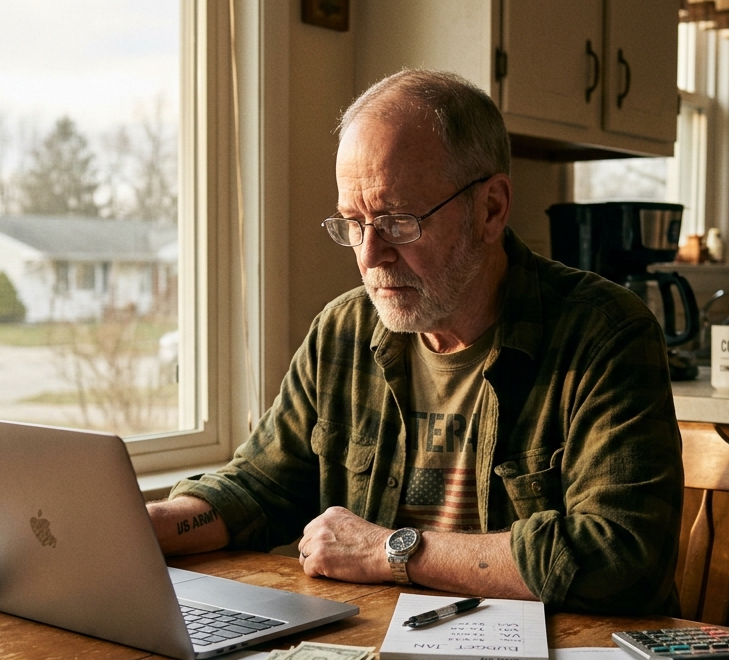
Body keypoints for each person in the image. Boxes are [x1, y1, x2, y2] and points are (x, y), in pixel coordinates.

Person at [146, 69, 683, 614]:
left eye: (397, 221)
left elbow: (623, 556)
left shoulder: (605, 333)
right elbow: (263, 487)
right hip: (377, 647)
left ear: (491, 208)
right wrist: (147, 526)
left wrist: (389, 551)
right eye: (353, 223)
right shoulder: (343, 332)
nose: (368, 255)